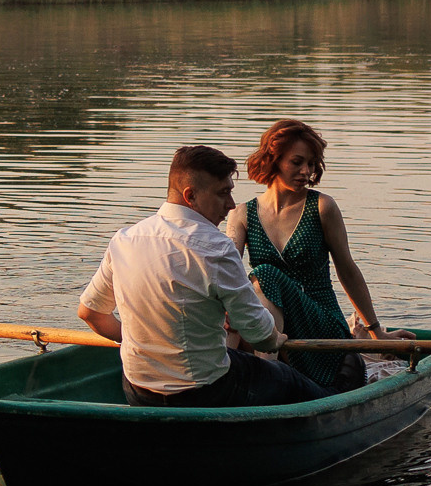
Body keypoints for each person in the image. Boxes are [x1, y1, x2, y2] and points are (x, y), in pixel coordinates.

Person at [75, 144, 328, 408]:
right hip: (204, 392)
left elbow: (90, 313)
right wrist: (277, 337)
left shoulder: (125, 239)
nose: (230, 206)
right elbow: (258, 334)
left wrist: (141, 341)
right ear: (190, 195)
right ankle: (338, 403)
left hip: (138, 390)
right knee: (288, 379)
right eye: (223, 194)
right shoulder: (216, 248)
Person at [226, 118, 410, 388]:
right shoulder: (242, 214)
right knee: (236, 301)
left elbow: (347, 270)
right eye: (297, 162)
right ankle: (221, 378)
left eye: (311, 164)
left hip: (321, 324)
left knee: (263, 274)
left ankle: (267, 380)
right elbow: (226, 272)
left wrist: (376, 331)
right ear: (273, 160)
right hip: (271, 324)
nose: (306, 172)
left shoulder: (322, 207)